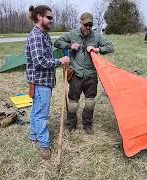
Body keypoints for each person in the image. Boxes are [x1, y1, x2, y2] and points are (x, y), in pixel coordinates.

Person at [54, 12, 114, 134]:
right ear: (81, 23)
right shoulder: (72, 34)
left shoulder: (97, 37)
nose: (88, 27)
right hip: (76, 74)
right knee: (73, 104)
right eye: (86, 24)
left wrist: (97, 49)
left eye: (90, 25)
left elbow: (110, 47)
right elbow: (57, 42)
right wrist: (70, 45)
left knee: (90, 103)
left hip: (91, 75)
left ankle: (87, 124)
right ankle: (71, 124)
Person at [26, 5, 70, 160]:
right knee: (42, 115)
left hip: (44, 81)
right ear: (39, 17)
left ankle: (33, 136)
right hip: (40, 82)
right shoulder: (36, 36)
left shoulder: (43, 35)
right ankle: (44, 145)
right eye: (49, 17)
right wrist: (60, 61)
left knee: (37, 110)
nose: (52, 20)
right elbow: (39, 61)